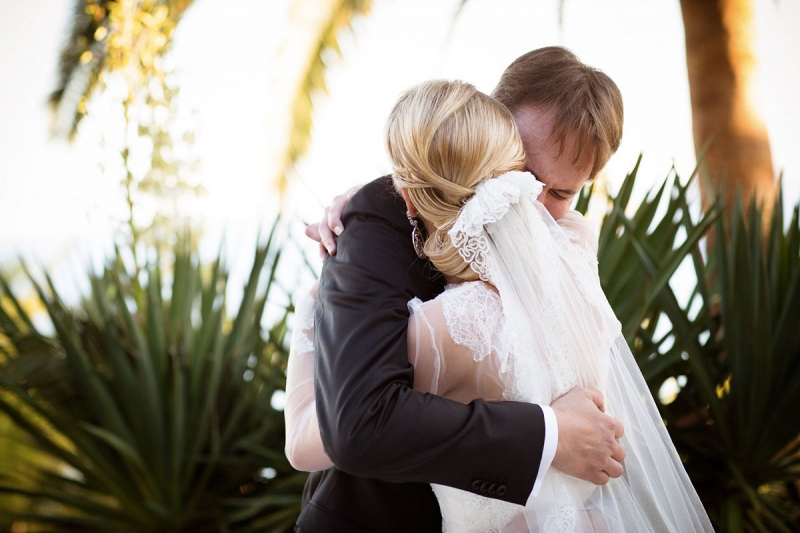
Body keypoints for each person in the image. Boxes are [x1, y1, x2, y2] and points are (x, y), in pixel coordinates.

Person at [286, 79, 712, 532]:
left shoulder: (552, 264)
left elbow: (319, 434)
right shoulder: (382, 222)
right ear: (491, 131)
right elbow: (354, 422)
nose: (533, 207)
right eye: (520, 178)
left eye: (561, 194)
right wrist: (551, 435)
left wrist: (318, 301)